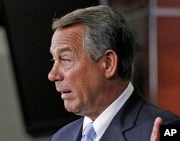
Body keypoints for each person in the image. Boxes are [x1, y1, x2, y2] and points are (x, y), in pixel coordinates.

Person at [48, 5, 179, 141]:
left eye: (65, 59)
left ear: (109, 63)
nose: (52, 75)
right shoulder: (59, 138)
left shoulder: (166, 129)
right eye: (54, 60)